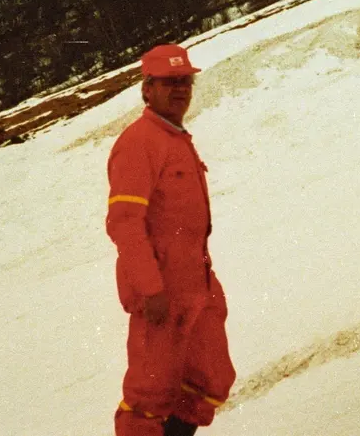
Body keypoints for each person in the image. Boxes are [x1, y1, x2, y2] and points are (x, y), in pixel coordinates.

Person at [106, 44, 235, 435]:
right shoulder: (138, 142)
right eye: (169, 82)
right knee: (150, 397)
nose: (180, 90)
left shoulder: (176, 138)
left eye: (185, 82)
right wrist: (151, 288)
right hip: (161, 293)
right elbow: (125, 223)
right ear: (147, 89)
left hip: (197, 285)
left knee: (209, 380)